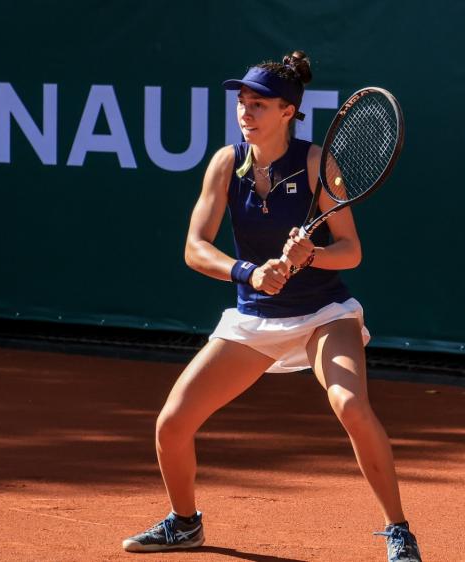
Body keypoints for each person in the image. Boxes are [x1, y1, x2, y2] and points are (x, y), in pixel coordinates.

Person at [121, 51, 422, 562]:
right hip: (255, 316)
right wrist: (249, 272)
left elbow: (351, 250)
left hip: (324, 314)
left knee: (350, 404)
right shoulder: (226, 163)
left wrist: (313, 255)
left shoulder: (317, 163)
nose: (246, 111)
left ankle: (398, 531)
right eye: (242, 102)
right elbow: (195, 247)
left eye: (258, 104)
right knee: (172, 423)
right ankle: (185, 523)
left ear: (288, 112)